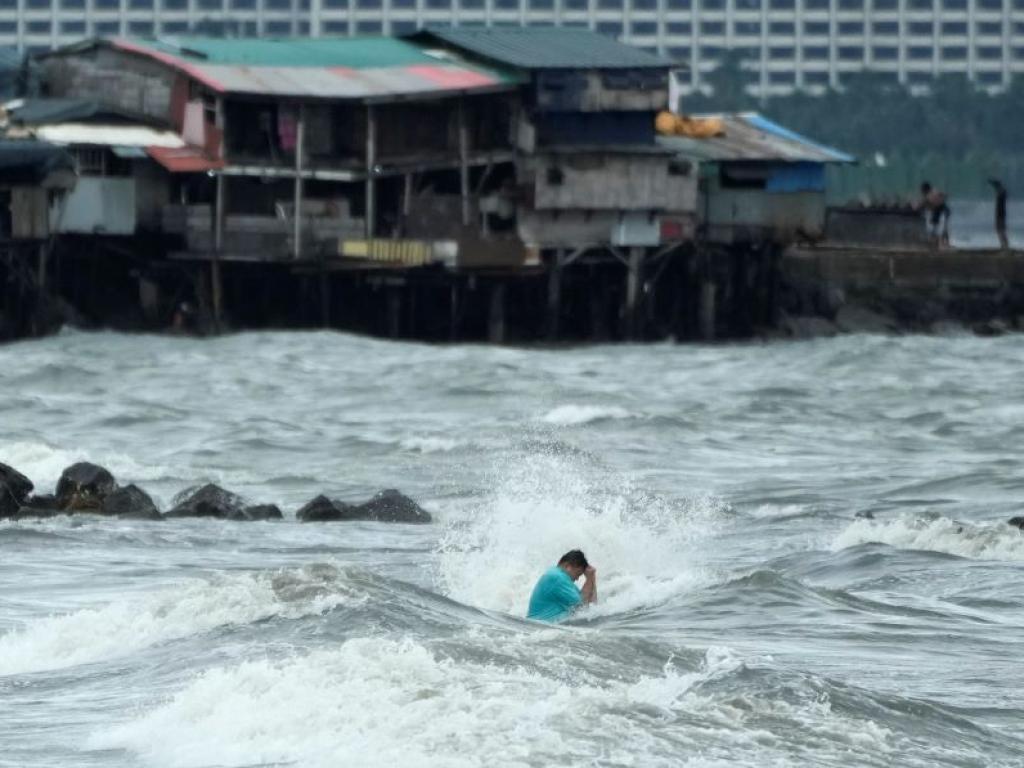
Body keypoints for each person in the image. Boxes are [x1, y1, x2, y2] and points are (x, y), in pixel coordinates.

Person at [526, 549, 597, 622]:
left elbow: (591, 605)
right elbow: (581, 608)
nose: (577, 578)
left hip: (544, 627)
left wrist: (592, 578)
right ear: (568, 566)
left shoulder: (560, 578)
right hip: (541, 627)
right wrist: (589, 579)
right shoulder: (557, 578)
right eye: (578, 574)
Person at [919, 182, 951, 248]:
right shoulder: (928, 195)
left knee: (942, 228)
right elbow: (924, 204)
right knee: (934, 227)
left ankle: (943, 243)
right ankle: (937, 242)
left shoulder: (932, 193)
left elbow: (944, 196)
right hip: (937, 211)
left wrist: (941, 198)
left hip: (942, 210)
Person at [989, 178, 1009, 250]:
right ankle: (1004, 245)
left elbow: (1002, 191)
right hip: (1000, 213)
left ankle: (1005, 246)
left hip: (1000, 213)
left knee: (1001, 230)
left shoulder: (1001, 193)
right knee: (1000, 229)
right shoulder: (1001, 192)